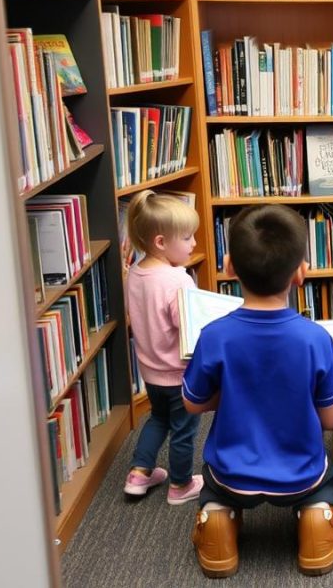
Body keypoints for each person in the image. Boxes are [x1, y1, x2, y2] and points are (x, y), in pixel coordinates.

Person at [182, 205, 333, 578]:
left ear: (228, 266)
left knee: (216, 490)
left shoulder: (214, 336)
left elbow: (191, 403)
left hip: (231, 476)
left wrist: (232, 391)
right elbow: (331, 419)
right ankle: (316, 524)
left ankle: (217, 524)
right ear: (301, 271)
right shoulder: (315, 339)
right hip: (300, 476)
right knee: (329, 481)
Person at [121, 190, 203, 505]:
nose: (194, 243)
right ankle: (180, 486)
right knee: (184, 430)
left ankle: (139, 474)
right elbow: (191, 328)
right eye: (187, 237)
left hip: (150, 372)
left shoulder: (136, 273)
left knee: (158, 419)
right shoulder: (176, 281)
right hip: (179, 373)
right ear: (160, 242)